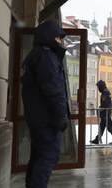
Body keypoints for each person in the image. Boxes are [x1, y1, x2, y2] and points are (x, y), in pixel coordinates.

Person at [21, 20, 70, 187]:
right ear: (49, 37)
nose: (60, 42)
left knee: (38, 156)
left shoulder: (38, 55)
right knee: (47, 157)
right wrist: (61, 114)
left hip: (39, 117)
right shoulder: (46, 57)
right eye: (57, 37)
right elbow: (53, 89)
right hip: (46, 119)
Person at [90, 80, 112, 144]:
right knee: (102, 127)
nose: (98, 89)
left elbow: (105, 103)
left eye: (98, 87)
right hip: (105, 112)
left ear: (101, 86)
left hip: (105, 113)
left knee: (109, 127)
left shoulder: (105, 93)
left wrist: (101, 108)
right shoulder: (106, 92)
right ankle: (98, 139)